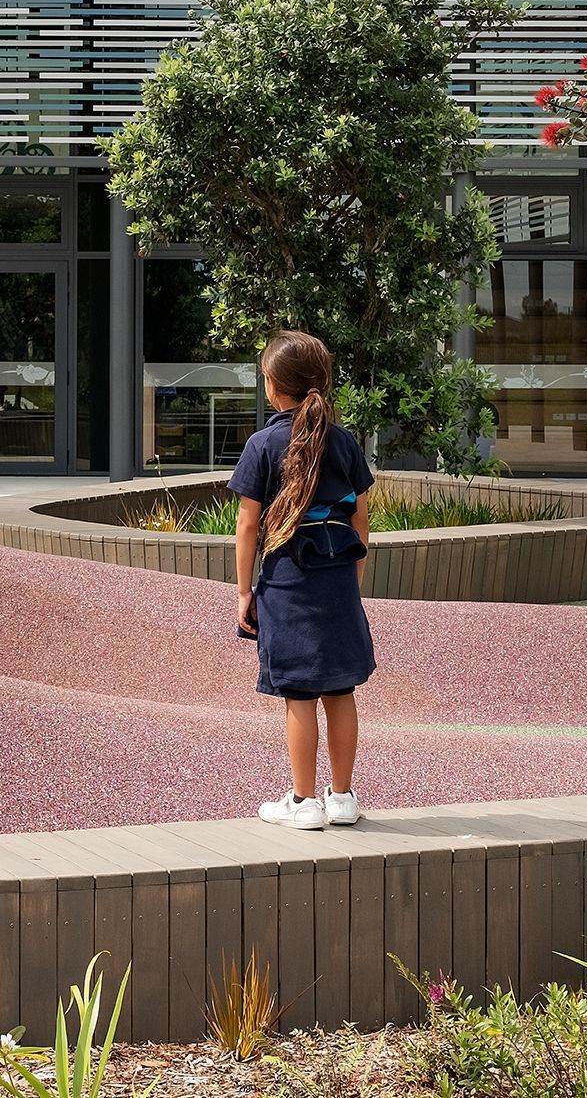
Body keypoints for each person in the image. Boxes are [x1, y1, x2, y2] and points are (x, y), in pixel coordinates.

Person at [230, 330, 376, 830]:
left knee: (299, 695)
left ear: (274, 387)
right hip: (337, 583)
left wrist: (244, 591)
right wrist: (350, 580)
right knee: (341, 691)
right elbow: (359, 520)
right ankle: (342, 799)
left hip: (288, 584)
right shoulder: (343, 442)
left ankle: (303, 801)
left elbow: (248, 526)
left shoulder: (262, 444)